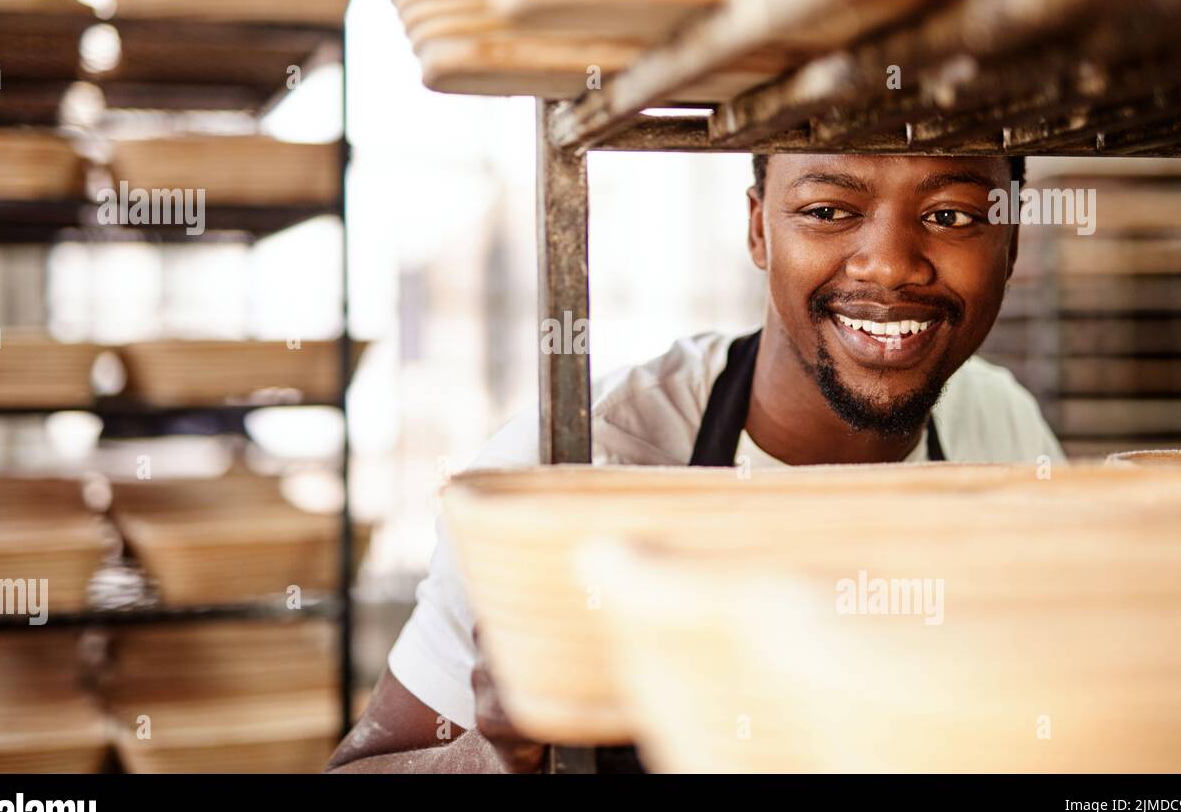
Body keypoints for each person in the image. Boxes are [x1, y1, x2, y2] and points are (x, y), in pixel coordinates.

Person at [327, 152, 1063, 774]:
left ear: (1013, 238)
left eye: (952, 215)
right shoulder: (575, 465)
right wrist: (498, 751)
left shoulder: (1003, 426)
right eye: (829, 210)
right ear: (757, 229)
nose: (892, 265)